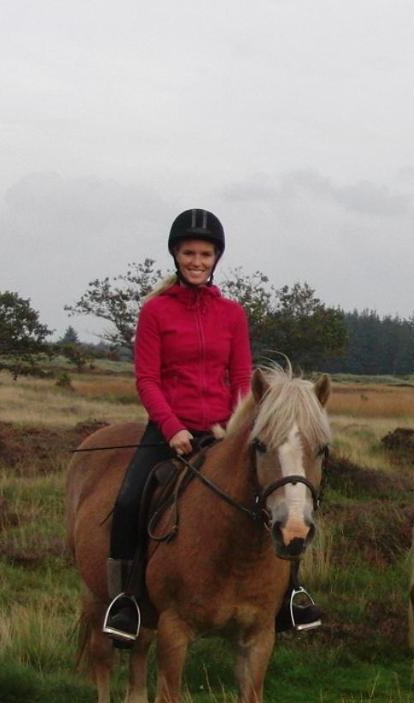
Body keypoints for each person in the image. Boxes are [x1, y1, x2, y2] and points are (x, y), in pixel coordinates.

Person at [102, 208, 321, 646]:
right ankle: (125, 601)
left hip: (223, 433)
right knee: (128, 503)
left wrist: (231, 425)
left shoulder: (232, 314)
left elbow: (243, 379)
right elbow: (147, 379)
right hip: (169, 432)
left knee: (281, 496)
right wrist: (172, 428)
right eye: (189, 253)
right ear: (176, 256)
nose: (196, 261)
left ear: (216, 258)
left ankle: (290, 595)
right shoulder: (155, 312)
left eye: (204, 253)